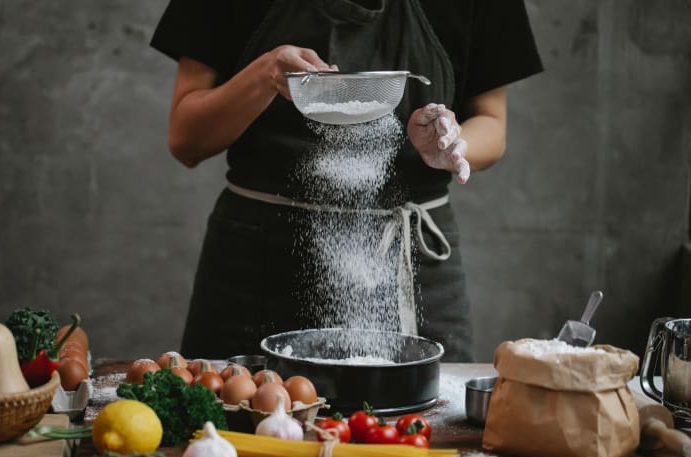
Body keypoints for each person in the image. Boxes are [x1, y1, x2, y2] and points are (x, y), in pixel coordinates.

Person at [150, 0, 542, 361]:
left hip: (413, 263)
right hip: (258, 262)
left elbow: (492, 123)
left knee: (428, 426)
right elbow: (186, 139)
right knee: (241, 428)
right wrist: (263, 76)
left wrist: (451, 144)